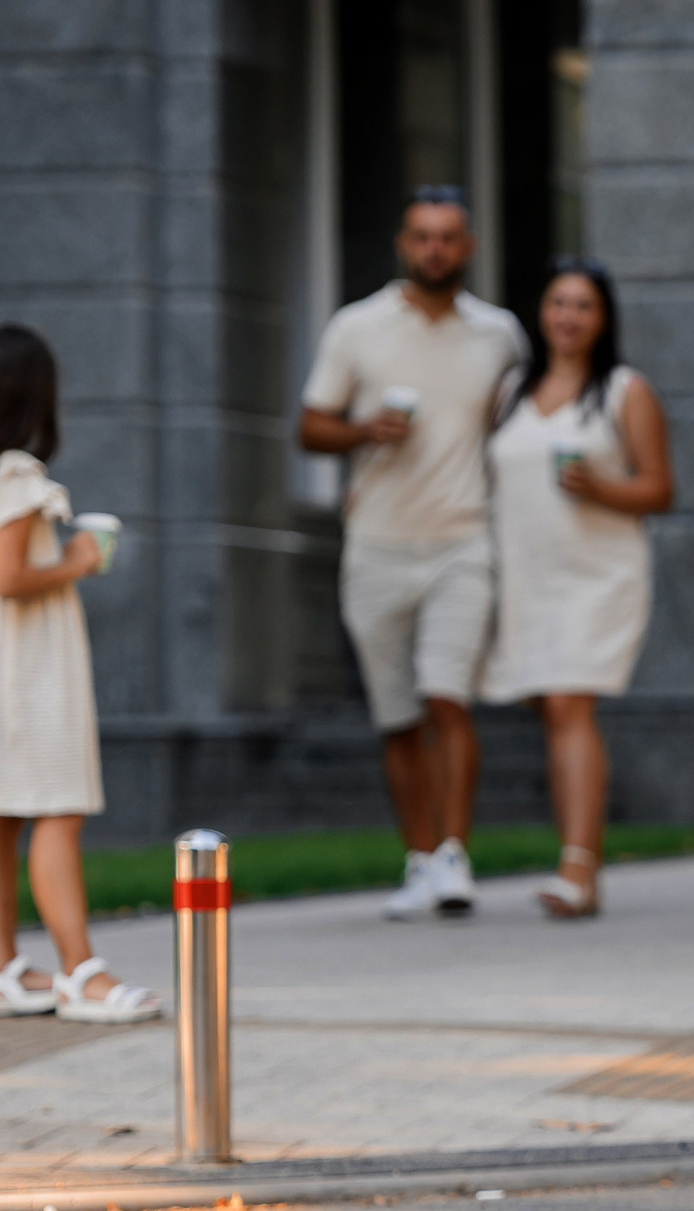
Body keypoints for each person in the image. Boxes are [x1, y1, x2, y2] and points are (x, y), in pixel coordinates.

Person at [297, 188, 529, 921]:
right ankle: (421, 858)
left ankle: (456, 855)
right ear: (404, 242)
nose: (435, 249)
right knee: (397, 717)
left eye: (449, 237)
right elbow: (309, 428)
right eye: (423, 236)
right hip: (376, 546)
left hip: (464, 539)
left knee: (445, 695)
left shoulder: (501, 336)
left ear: (469, 247)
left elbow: (518, 430)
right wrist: (364, 431)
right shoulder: (357, 327)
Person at [0, 323, 160, 1023]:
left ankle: (0, 972)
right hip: (22, 663)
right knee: (58, 805)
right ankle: (81, 971)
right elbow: (10, 577)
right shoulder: (18, 475)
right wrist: (80, 561)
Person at [481, 259, 676, 918]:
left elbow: (660, 488)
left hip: (597, 574)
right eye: (558, 302)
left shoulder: (624, 391)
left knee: (569, 705)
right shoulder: (509, 391)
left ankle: (577, 869)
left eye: (583, 305)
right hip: (525, 573)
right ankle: (581, 858)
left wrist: (601, 487)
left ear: (604, 318)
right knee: (553, 711)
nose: (568, 316)